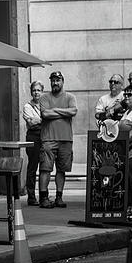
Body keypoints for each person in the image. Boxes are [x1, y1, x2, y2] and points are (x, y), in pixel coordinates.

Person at [38, 71, 78, 209]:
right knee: (45, 169)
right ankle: (43, 198)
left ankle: (59, 197)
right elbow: (45, 114)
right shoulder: (44, 97)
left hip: (66, 139)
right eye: (53, 80)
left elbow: (73, 111)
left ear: (62, 81)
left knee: (62, 169)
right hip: (48, 139)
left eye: (58, 80)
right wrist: (63, 112)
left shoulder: (70, 97)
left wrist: (54, 110)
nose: (55, 83)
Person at [22, 81, 44, 206]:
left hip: (44, 136)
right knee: (32, 167)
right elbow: (31, 122)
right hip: (33, 137)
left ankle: (43, 196)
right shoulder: (27, 106)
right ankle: (31, 196)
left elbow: (47, 119)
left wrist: (38, 120)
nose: (36, 92)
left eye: (38, 90)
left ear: (42, 92)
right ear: (31, 92)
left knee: (44, 167)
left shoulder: (45, 105)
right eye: (34, 90)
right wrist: (43, 119)